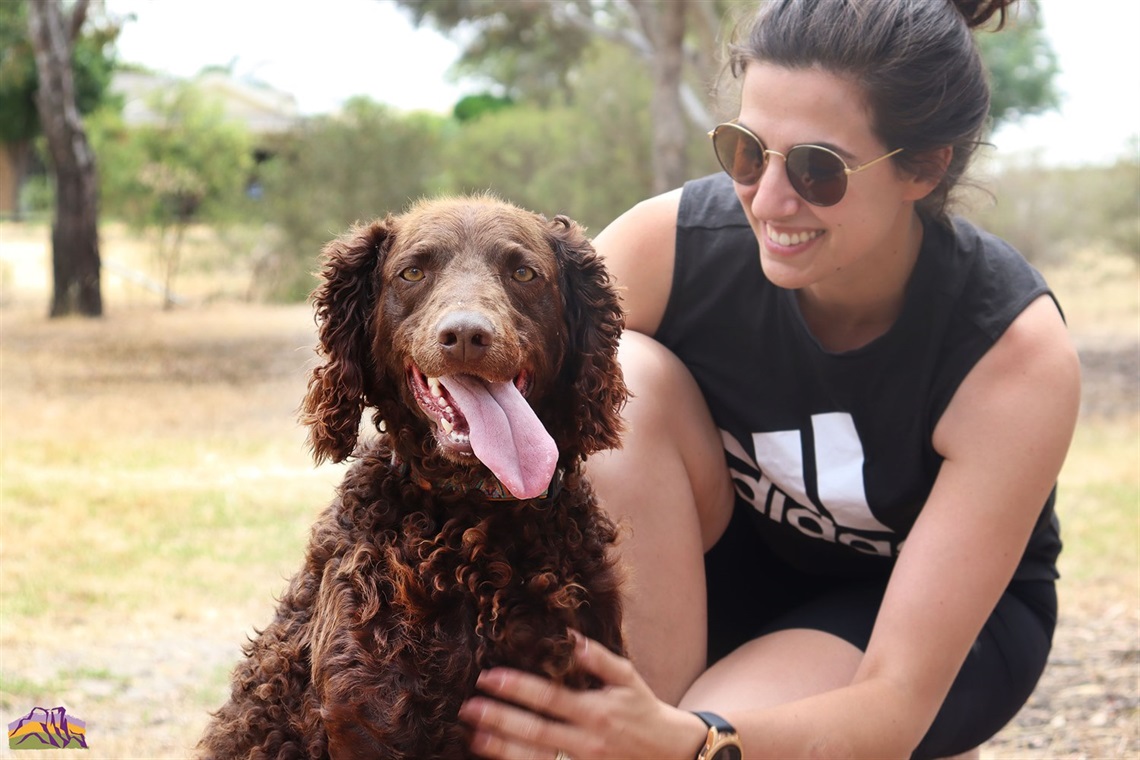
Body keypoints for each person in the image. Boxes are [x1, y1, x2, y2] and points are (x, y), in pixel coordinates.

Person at [458, 0, 1081, 757]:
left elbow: (894, 701)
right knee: (623, 372)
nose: (770, 200)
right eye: (747, 151)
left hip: (908, 628)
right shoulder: (673, 247)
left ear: (924, 165)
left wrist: (693, 743)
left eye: (820, 170)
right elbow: (490, 408)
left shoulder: (1009, 355)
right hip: (720, 567)